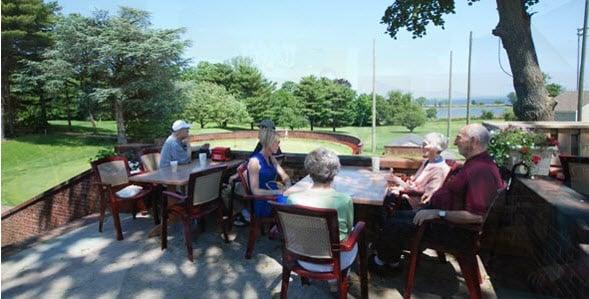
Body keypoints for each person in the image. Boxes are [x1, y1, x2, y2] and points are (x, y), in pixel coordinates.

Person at [369, 124, 505, 274]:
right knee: (394, 216)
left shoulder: (481, 170)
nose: (454, 142)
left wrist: (437, 213)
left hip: (448, 228)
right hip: (438, 216)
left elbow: (477, 216)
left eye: (459, 138)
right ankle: (388, 258)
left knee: (394, 224)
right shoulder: (476, 164)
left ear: (473, 141)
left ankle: (384, 265)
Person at [286, 148, 356, 275]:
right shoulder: (344, 200)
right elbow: (348, 231)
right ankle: (337, 281)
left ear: (309, 172)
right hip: (335, 261)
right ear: (335, 173)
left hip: (303, 257)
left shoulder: (292, 199)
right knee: (356, 230)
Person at [386, 132, 451, 210]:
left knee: (382, 202)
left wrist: (398, 181)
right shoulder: (427, 162)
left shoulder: (440, 170)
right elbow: (415, 182)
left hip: (414, 204)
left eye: (425, 144)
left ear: (436, 148)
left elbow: (428, 195)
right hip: (406, 195)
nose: (421, 147)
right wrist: (403, 184)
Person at [247, 129, 291, 217]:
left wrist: (288, 186)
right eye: (276, 142)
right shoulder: (255, 162)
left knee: (295, 201)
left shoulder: (271, 158)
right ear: (268, 142)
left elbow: (285, 176)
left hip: (274, 197)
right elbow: (255, 191)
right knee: (294, 205)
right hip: (264, 201)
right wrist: (278, 192)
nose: (278, 145)